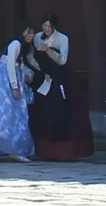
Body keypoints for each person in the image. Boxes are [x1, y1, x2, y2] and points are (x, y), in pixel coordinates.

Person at [25, 17, 91, 159]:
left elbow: (63, 60)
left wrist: (49, 51)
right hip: (42, 76)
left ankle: (61, 144)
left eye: (49, 26)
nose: (46, 29)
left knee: (60, 107)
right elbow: (32, 56)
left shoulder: (62, 39)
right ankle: (44, 147)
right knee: (42, 108)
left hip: (58, 75)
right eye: (44, 25)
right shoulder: (37, 37)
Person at [0, 29, 36, 161]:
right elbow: (10, 65)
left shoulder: (26, 47)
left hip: (9, 77)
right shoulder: (16, 44)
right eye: (28, 32)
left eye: (32, 33)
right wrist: (14, 86)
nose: (31, 36)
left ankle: (14, 148)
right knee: (1, 113)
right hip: (4, 80)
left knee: (14, 115)